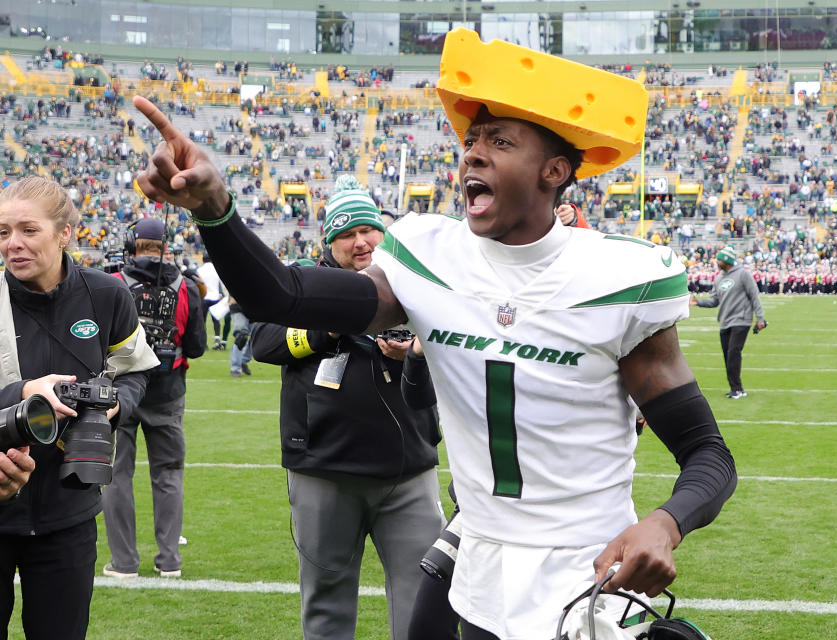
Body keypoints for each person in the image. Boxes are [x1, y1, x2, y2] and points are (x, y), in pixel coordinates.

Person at [131, 28, 737, 639]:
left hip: (587, 572)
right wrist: (216, 210)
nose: (471, 154)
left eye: (499, 141)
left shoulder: (618, 277)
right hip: (478, 563)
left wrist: (666, 522)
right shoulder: (428, 257)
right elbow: (282, 296)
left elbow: (709, 456)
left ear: (555, 170)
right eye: (471, 140)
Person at [249, 179, 446, 640]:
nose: (360, 242)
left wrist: (417, 350)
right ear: (328, 243)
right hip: (326, 470)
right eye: (345, 234)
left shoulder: (413, 278)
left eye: (368, 230)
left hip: (409, 469)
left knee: (424, 604)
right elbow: (264, 341)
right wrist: (335, 323)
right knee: (326, 606)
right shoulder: (305, 283)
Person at [0, 176, 158, 639]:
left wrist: (116, 407)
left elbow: (135, 370)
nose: (13, 244)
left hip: (69, 508)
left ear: (64, 233)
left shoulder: (106, 294)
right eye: (3, 232)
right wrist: (24, 393)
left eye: (29, 230)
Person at [101, 217, 206, 579]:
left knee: (116, 474)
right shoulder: (187, 287)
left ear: (131, 245)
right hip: (168, 390)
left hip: (119, 390)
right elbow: (197, 346)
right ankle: (169, 560)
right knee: (169, 475)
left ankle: (124, 562)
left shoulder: (111, 282)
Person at [690, 246, 767, 399]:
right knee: (727, 356)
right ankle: (736, 388)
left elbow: (754, 295)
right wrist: (698, 302)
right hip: (725, 322)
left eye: (719, 259)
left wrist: (760, 318)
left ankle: (737, 389)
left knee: (733, 354)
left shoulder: (743, 274)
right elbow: (714, 301)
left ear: (726, 260)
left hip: (741, 320)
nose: (717, 262)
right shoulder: (719, 278)